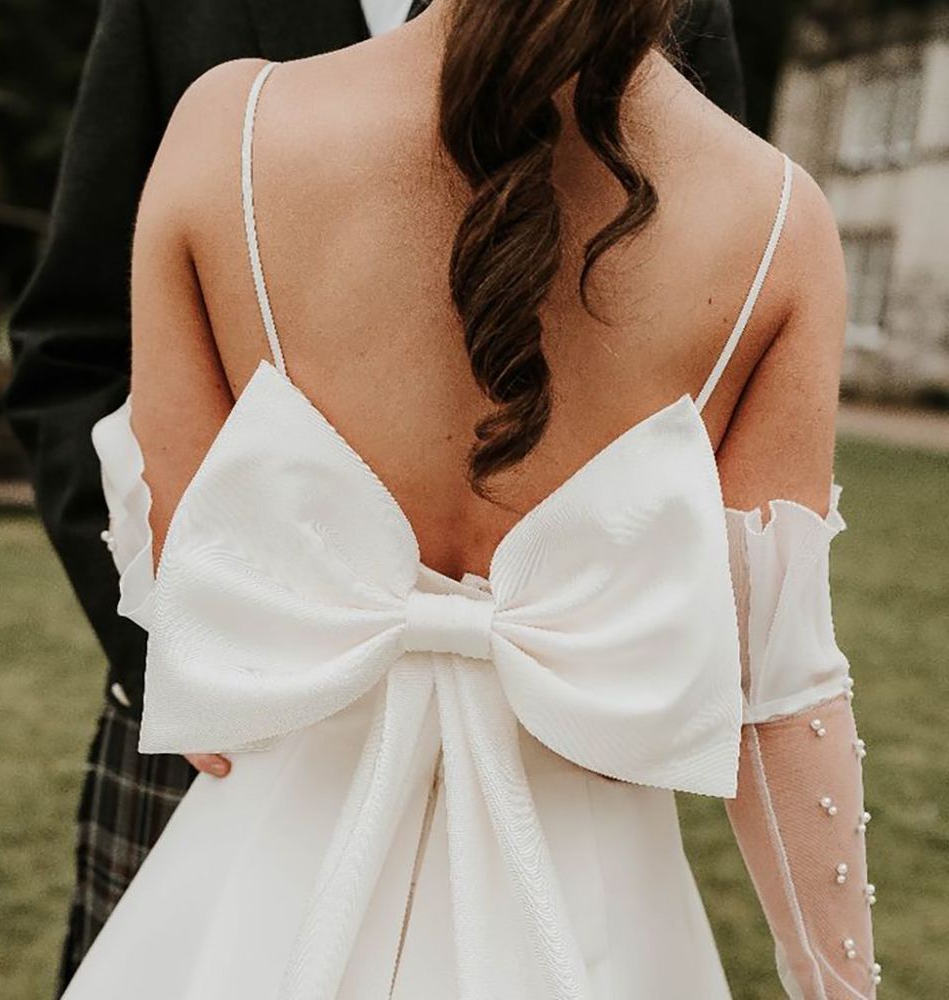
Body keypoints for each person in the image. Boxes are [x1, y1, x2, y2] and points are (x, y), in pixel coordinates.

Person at [52, 0, 878, 996]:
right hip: (588, 904)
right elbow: (782, 697)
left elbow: (176, 563)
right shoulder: (777, 218)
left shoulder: (227, 127)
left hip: (254, 892)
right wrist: (839, 985)